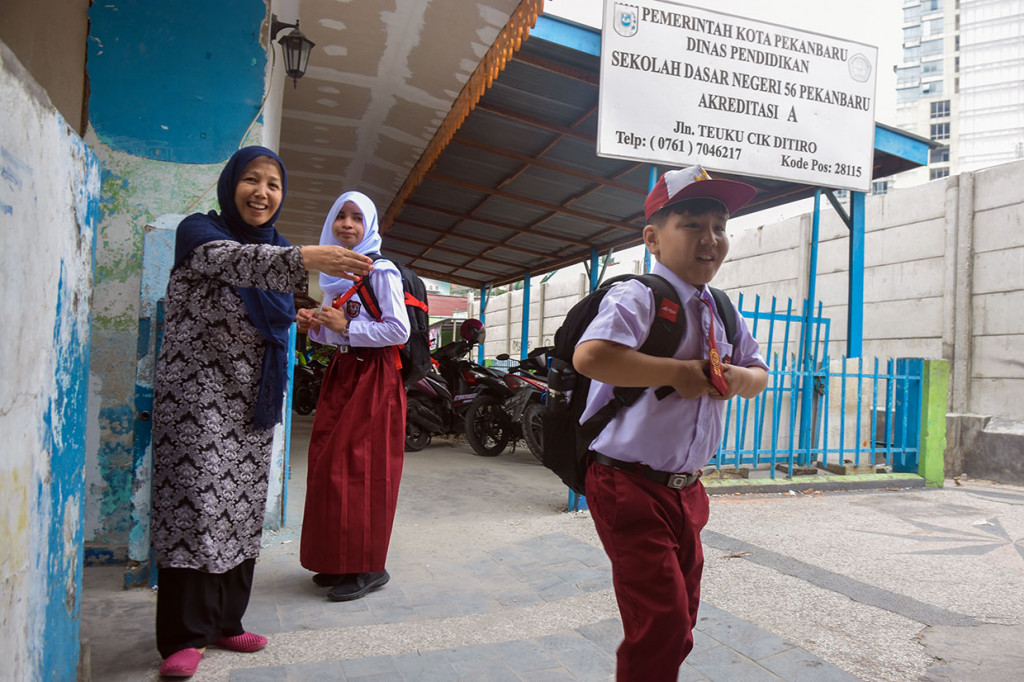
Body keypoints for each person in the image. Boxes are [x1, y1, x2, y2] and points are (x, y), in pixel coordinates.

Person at [150, 146, 373, 678]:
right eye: (252, 180)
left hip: (253, 400)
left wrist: (298, 313)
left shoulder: (274, 248)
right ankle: (185, 637)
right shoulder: (199, 232)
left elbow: (264, 312)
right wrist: (306, 259)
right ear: (231, 184)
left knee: (242, 510)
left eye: (273, 185)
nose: (262, 193)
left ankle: (227, 622)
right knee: (196, 511)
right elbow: (229, 263)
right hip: (198, 400)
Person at [572, 165, 770, 681]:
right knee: (660, 622)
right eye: (692, 225)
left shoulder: (722, 310)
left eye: (720, 227)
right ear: (652, 238)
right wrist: (678, 372)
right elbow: (591, 357)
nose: (710, 239)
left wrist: (737, 379)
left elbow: (758, 371)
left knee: (681, 617)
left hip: (687, 490)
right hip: (627, 481)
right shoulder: (639, 297)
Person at [297, 191, 410, 602]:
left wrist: (346, 327)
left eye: (357, 218)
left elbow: (399, 331)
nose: (347, 224)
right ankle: (339, 559)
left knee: (363, 468)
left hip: (374, 376)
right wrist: (316, 325)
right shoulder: (333, 276)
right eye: (341, 216)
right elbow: (335, 332)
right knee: (329, 465)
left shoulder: (380, 271)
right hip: (343, 372)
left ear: (370, 226)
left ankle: (368, 566)